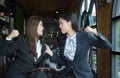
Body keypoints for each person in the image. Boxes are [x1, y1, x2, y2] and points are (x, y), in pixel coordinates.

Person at [45, 13, 112, 78]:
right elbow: (65, 61)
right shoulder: (62, 40)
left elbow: (107, 45)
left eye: (61, 23)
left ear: (69, 23)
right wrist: (50, 53)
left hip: (83, 74)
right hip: (68, 73)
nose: (59, 26)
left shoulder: (85, 36)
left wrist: (95, 32)